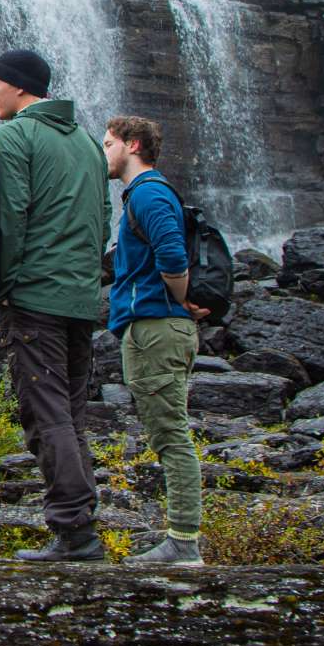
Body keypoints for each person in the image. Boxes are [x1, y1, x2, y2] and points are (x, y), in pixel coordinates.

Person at [0, 49, 111, 563]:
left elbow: (9, 218)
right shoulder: (85, 140)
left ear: (18, 88)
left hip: (34, 294)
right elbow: (104, 215)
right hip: (81, 298)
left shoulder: (14, 136)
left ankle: (74, 529)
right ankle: (83, 520)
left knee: (46, 413)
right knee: (72, 413)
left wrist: (0, 287)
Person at [104, 114, 208, 564]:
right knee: (167, 431)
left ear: (132, 145)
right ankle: (182, 537)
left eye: (108, 143)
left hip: (157, 328)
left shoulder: (147, 193)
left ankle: (184, 541)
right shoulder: (146, 194)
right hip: (154, 326)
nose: (103, 151)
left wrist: (181, 298)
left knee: (171, 435)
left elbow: (171, 252)